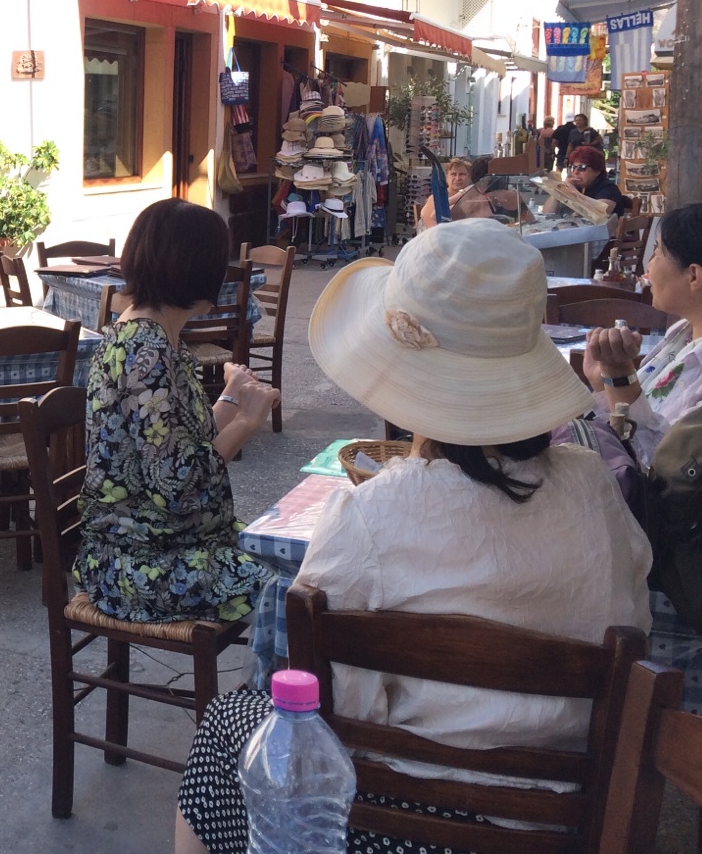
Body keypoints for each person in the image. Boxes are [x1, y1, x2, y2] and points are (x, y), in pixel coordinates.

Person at [175, 218, 651, 854]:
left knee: (228, 723)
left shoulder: (371, 512)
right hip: (561, 816)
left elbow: (336, 700)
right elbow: (633, 621)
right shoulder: (593, 486)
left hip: (401, 822)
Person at [75, 198, 280, 627]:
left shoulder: (152, 337)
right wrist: (247, 421)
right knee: (294, 596)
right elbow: (178, 487)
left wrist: (231, 397)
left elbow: (181, 444)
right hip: (141, 565)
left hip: (166, 547)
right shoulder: (145, 354)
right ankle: (278, 673)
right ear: (199, 272)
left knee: (302, 562)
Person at [583, 199, 702, 466]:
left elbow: (664, 467)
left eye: (657, 253)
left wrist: (620, 377)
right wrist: (605, 382)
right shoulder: (684, 331)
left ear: (694, 276)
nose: (649, 266)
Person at [563, 145, 630, 217]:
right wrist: (558, 190)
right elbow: (553, 212)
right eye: (573, 167)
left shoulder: (609, 189)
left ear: (597, 170)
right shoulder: (580, 187)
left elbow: (597, 214)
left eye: (581, 167)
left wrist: (573, 191)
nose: (575, 172)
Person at [417, 157, 473, 231]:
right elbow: (432, 230)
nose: (457, 178)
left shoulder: (472, 198)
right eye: (453, 174)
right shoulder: (436, 198)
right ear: (446, 177)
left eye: (462, 174)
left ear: (469, 177)